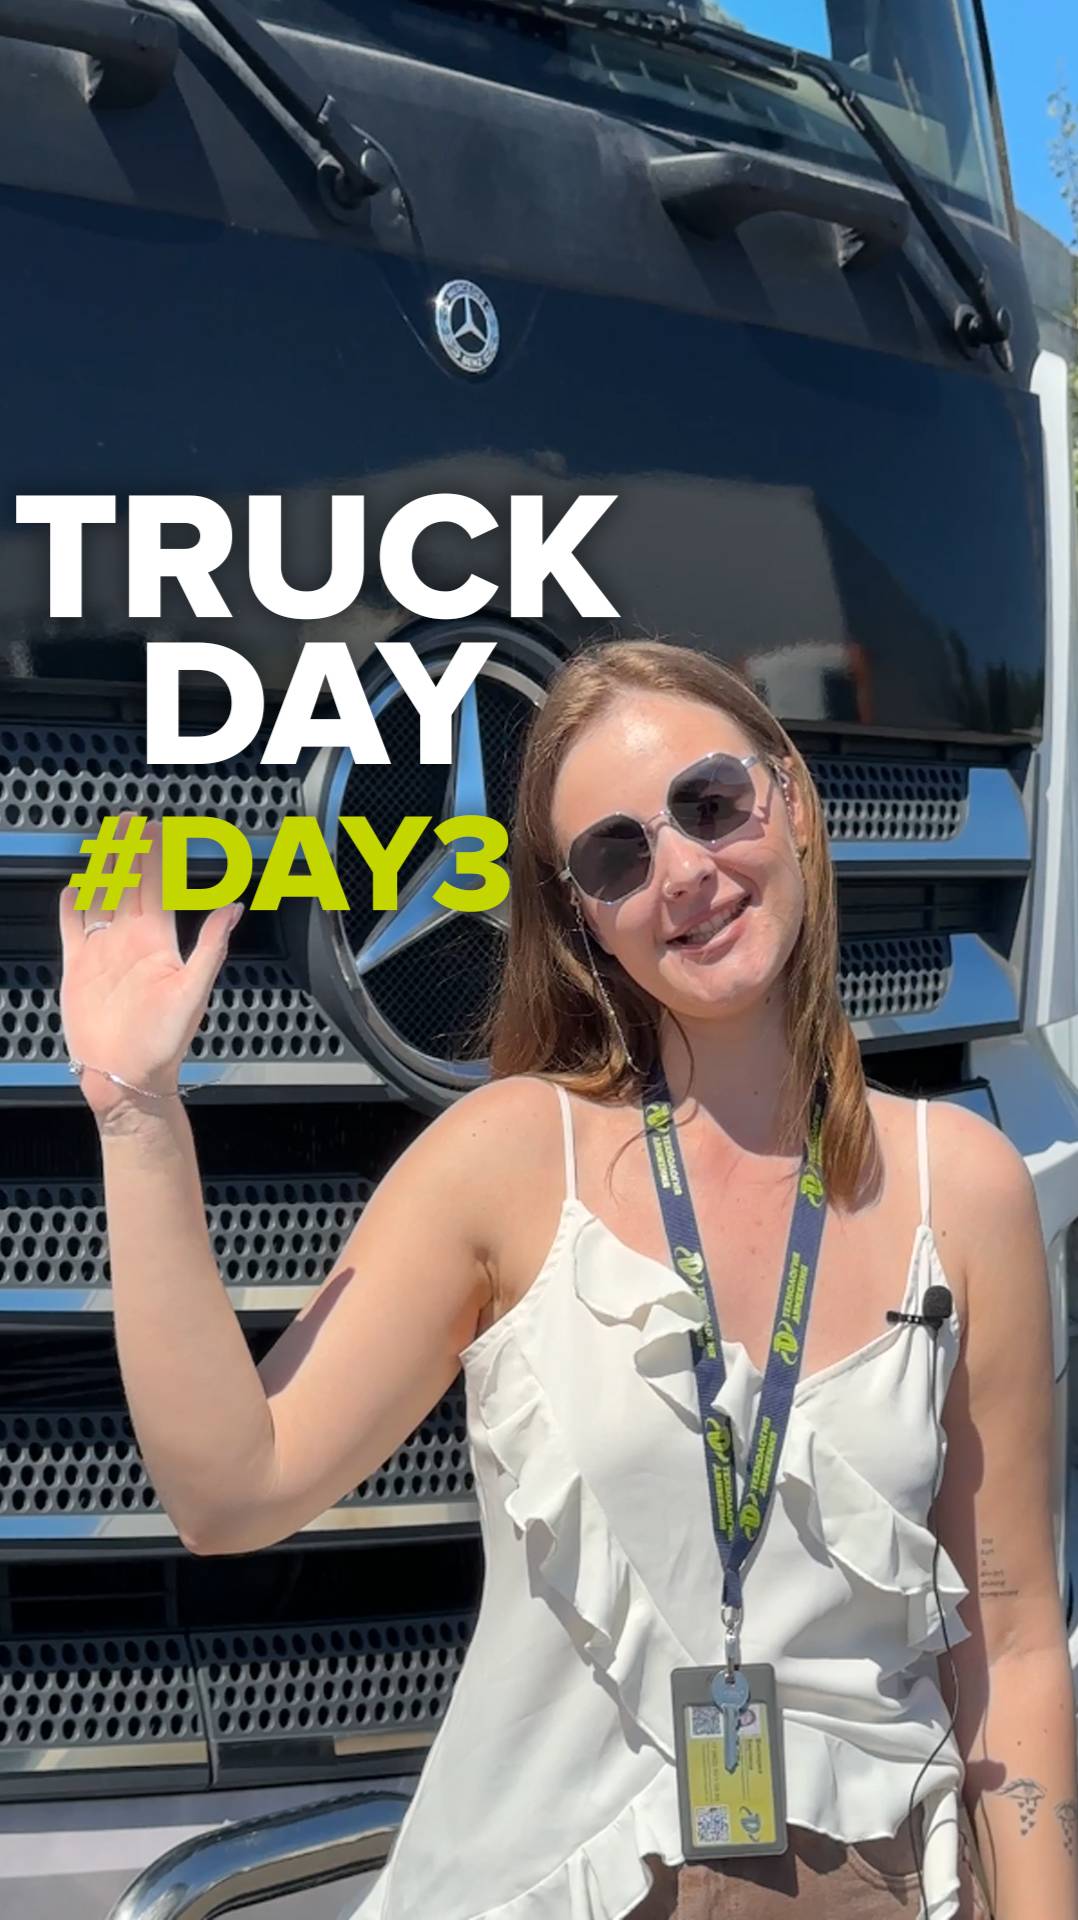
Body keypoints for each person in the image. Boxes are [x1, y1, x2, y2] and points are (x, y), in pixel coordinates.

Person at [57, 640, 1075, 1920]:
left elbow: (1012, 1647)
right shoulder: (505, 1158)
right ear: (583, 914)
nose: (683, 871)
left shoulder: (963, 1187)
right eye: (615, 856)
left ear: (792, 801)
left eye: (711, 802)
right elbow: (230, 1490)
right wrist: (139, 1115)